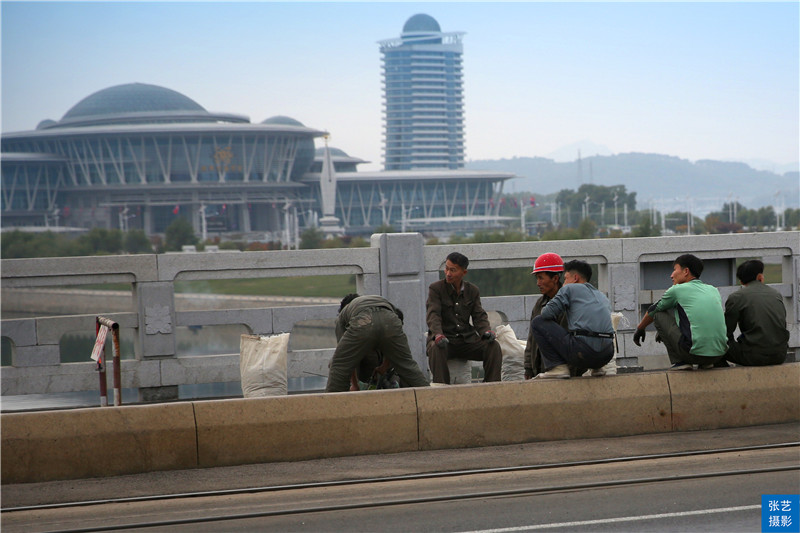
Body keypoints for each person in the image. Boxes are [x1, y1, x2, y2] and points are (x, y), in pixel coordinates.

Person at [633, 254, 727, 370]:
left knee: (658, 314)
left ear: (686, 271)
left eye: (675, 270)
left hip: (692, 354)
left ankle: (681, 362)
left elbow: (653, 310)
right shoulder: (713, 290)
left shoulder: (677, 290)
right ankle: (706, 363)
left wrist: (640, 328)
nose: (671, 275)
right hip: (718, 355)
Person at [326, 294, 429, 392]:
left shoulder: (341, 318)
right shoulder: (385, 305)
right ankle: (431, 396)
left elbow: (344, 359)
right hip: (389, 318)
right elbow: (394, 348)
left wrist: (354, 386)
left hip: (363, 322)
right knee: (407, 365)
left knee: (338, 366)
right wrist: (385, 366)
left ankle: (333, 406)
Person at [529, 260, 615, 379]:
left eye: (565, 279)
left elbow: (546, 314)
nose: (563, 283)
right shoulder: (601, 296)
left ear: (575, 278)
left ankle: (558, 367)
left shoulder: (569, 289)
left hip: (583, 352)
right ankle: (597, 368)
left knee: (537, 322)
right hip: (607, 354)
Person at [426, 252, 502, 384]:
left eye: (453, 270)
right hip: (445, 341)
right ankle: (441, 389)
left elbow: (479, 316)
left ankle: (491, 387)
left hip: (466, 341)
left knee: (493, 346)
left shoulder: (472, 291)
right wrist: (438, 335)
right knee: (435, 349)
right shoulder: (436, 289)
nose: (448, 273)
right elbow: (434, 315)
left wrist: (486, 332)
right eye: (447, 268)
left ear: (464, 272)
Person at [523, 253, 585, 379]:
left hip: (565, 371)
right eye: (537, 279)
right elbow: (531, 338)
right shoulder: (539, 304)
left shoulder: (569, 304)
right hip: (541, 370)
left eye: (541, 278)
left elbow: (570, 341)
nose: (538, 283)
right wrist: (528, 367)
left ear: (555, 279)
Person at [722, 260, 789, 366]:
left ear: (742, 281)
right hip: (780, 355)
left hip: (753, 356)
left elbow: (725, 332)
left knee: (716, 344)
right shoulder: (776, 294)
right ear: (760, 277)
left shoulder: (736, 297)